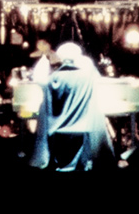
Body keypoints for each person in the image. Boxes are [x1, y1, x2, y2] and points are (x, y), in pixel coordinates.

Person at [41, 42, 117, 173]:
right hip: (83, 129)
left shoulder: (52, 78)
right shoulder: (88, 76)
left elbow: (48, 107)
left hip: (57, 131)